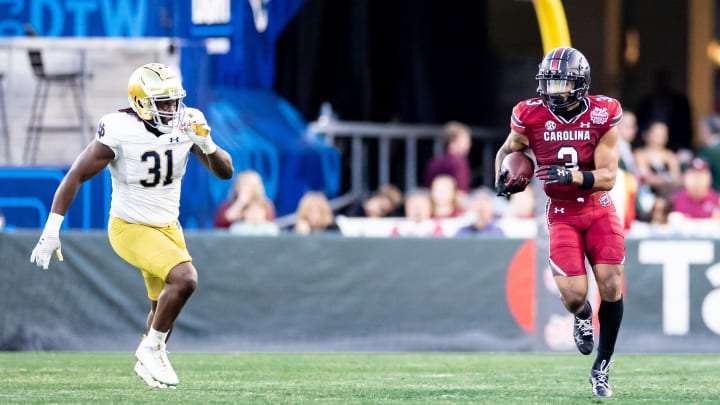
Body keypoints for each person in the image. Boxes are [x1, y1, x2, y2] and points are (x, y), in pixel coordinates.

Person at [28, 63, 234, 389]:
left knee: (164, 310)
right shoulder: (120, 128)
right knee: (185, 278)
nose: (171, 109)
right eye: (162, 102)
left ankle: (148, 358)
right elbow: (76, 175)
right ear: (140, 102)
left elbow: (225, 173)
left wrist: (206, 144)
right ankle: (150, 350)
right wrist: (52, 229)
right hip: (129, 226)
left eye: (173, 101)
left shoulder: (189, 121)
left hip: (168, 226)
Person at [494, 47, 624, 398]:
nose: (554, 91)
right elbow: (508, 151)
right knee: (572, 296)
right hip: (563, 212)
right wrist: (501, 180)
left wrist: (570, 176)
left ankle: (602, 366)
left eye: (563, 82)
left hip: (598, 207)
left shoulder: (603, 112)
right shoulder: (529, 114)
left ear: (580, 84)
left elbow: (608, 176)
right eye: (549, 83)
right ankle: (582, 316)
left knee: (611, 284)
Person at [423, 121, 473, 198]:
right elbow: (461, 193)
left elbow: (427, 189)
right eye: (465, 139)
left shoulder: (433, 162)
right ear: (452, 141)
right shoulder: (460, 163)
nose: (469, 144)